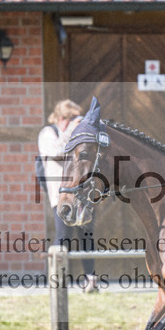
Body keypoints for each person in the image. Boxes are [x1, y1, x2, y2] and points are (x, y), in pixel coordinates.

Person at [38, 100, 99, 293]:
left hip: (81, 193)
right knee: (63, 237)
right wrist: (72, 129)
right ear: (62, 118)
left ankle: (90, 280)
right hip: (61, 195)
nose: (76, 123)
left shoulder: (73, 136)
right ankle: (56, 281)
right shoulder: (48, 133)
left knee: (86, 235)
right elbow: (55, 153)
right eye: (72, 119)